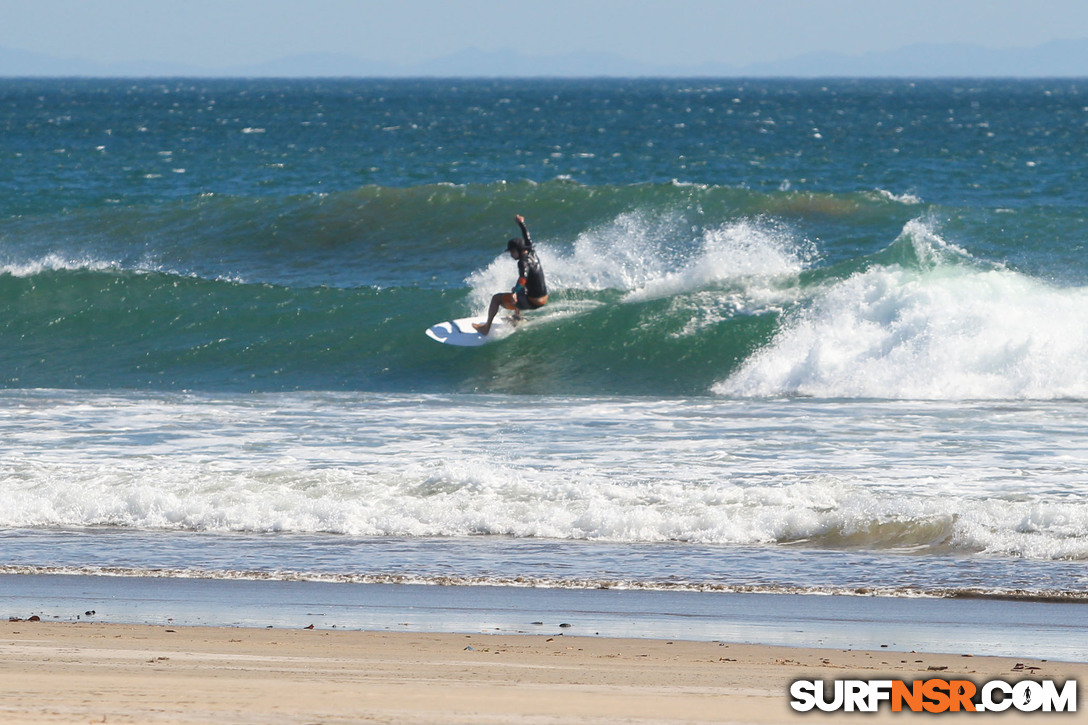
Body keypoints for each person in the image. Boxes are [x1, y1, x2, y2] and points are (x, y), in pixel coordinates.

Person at [473, 214, 548, 335]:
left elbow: (523, 278)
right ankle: (517, 318)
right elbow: (527, 237)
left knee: (496, 298)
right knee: (517, 289)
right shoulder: (531, 251)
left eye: (511, 252)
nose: (511, 255)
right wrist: (521, 223)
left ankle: (486, 328)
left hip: (533, 302)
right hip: (543, 298)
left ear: (517, 250)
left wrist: (514, 294)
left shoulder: (522, 262)